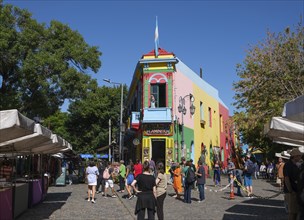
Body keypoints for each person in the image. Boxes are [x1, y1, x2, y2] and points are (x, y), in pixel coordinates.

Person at [283, 148, 303, 220]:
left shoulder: (297, 164)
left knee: (297, 211)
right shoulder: (288, 165)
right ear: (295, 156)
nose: (300, 157)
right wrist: (291, 190)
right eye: (299, 156)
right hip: (291, 192)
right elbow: (286, 178)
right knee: (292, 212)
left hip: (297, 191)